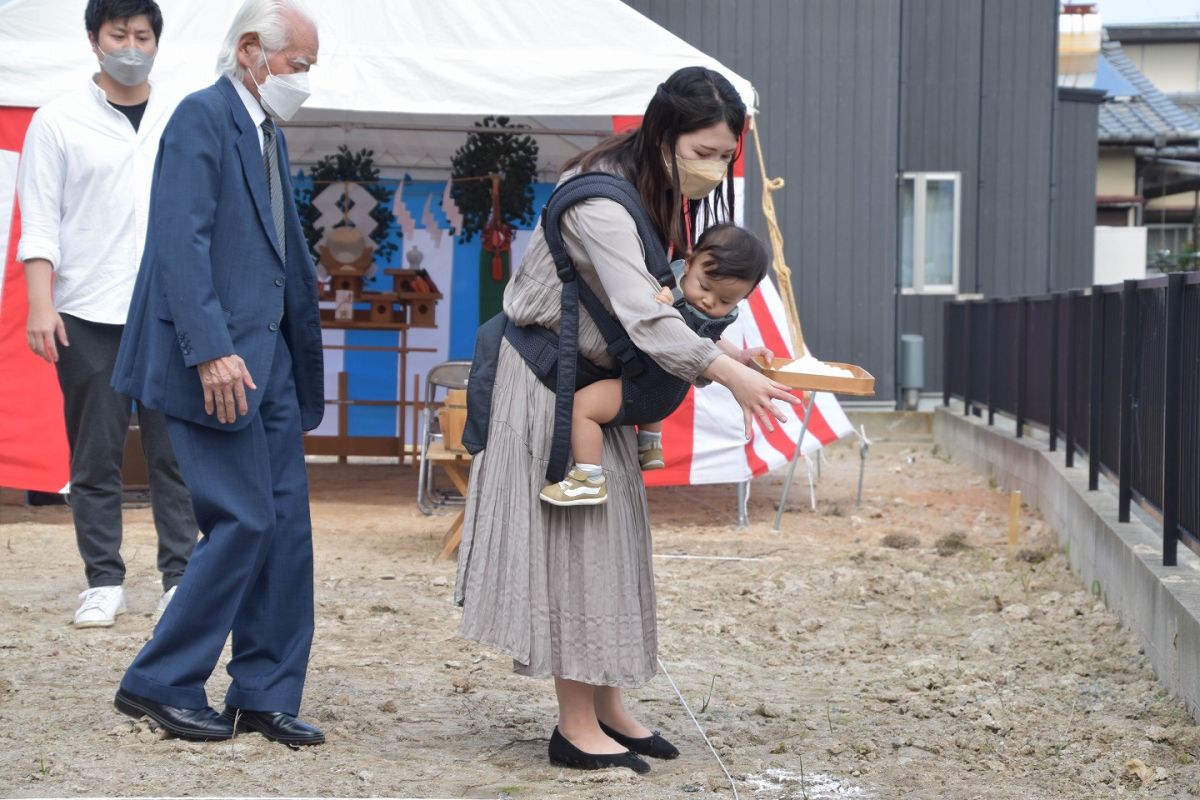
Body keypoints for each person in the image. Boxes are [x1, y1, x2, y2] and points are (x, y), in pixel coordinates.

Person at [455, 66, 802, 774]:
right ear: (664, 134)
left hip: (594, 381)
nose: (714, 168)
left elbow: (670, 302)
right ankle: (574, 725)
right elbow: (646, 316)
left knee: (610, 550)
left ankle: (610, 708)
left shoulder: (651, 189)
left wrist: (735, 348)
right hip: (549, 384)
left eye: (724, 155)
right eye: (703, 152)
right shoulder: (601, 203)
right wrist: (728, 373)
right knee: (574, 549)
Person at [108, 0, 325, 745]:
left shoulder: (266, 134)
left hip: (269, 365)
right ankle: (159, 681)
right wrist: (210, 349)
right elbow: (180, 242)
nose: (304, 82)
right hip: (216, 362)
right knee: (243, 519)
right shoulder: (201, 119)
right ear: (252, 53)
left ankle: (264, 690)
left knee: (286, 530)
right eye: (299, 66)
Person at [16, 0, 197, 628]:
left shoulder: (183, 115)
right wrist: (41, 303)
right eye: (118, 34)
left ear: (156, 42)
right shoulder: (57, 120)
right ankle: (103, 579)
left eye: (142, 35)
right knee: (95, 454)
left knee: (176, 453)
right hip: (86, 311)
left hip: (171, 310)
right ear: (94, 40)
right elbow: (39, 222)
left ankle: (181, 577)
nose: (131, 46)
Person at [540, 223, 773, 506]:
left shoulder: (681, 303)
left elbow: (681, 336)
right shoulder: (692, 301)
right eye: (704, 287)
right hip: (666, 396)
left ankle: (589, 478)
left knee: (582, 408)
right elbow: (710, 340)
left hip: (643, 391)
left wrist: (664, 311)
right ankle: (650, 445)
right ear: (687, 265)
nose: (708, 301)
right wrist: (736, 357)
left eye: (725, 300)